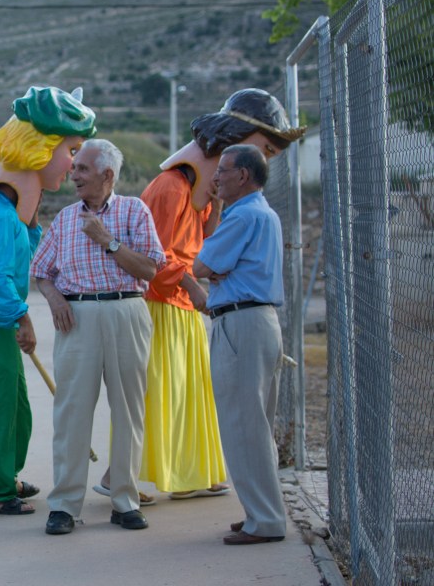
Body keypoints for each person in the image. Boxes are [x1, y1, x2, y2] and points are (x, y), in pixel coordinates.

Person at [95, 88, 303, 501]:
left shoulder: (202, 192)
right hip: (161, 302)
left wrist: (216, 203)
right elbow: (156, 254)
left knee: (191, 392)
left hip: (183, 303)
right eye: (264, 149)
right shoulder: (170, 187)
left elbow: (205, 241)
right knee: (156, 393)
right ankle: (118, 475)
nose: (265, 160)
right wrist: (194, 285)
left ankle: (189, 473)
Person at [0, 85, 96, 516]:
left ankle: (5, 476)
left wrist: (32, 221)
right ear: (40, 150)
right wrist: (22, 319)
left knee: (14, 401)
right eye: (71, 151)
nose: (72, 164)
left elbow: (22, 256)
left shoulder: (6, 210)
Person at [31, 138, 165, 535]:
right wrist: (55, 298)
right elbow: (41, 271)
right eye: (74, 168)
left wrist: (108, 241)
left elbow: (150, 269)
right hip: (77, 318)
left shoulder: (134, 210)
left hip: (127, 311)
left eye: (82, 169)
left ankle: (124, 501)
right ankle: (64, 506)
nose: (73, 175)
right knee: (71, 412)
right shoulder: (65, 218)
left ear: (107, 175)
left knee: (128, 411)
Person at [194, 143, 287, 545]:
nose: (215, 178)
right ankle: (260, 512)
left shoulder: (243, 215)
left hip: (240, 322)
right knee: (255, 424)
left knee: (242, 424)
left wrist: (213, 267)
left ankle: (264, 520)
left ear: (243, 175)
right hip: (257, 321)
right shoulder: (261, 212)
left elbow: (202, 265)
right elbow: (212, 265)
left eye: (223, 171)